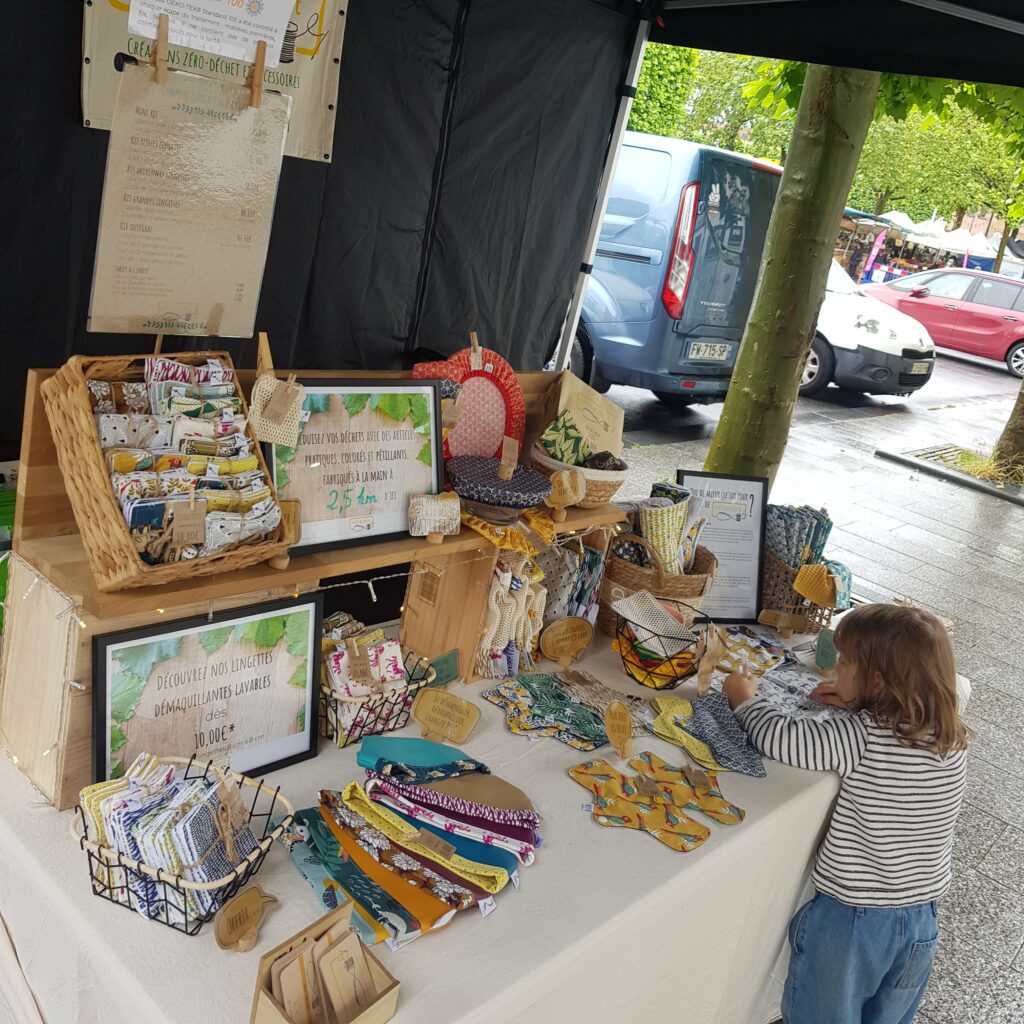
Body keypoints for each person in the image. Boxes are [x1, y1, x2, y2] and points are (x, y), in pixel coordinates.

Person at [722, 604, 969, 1024]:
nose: (835, 668)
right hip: (920, 923)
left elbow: (778, 736)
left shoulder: (859, 737)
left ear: (877, 681)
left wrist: (742, 697)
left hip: (851, 924)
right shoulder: (952, 738)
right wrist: (858, 703)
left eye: (845, 661)